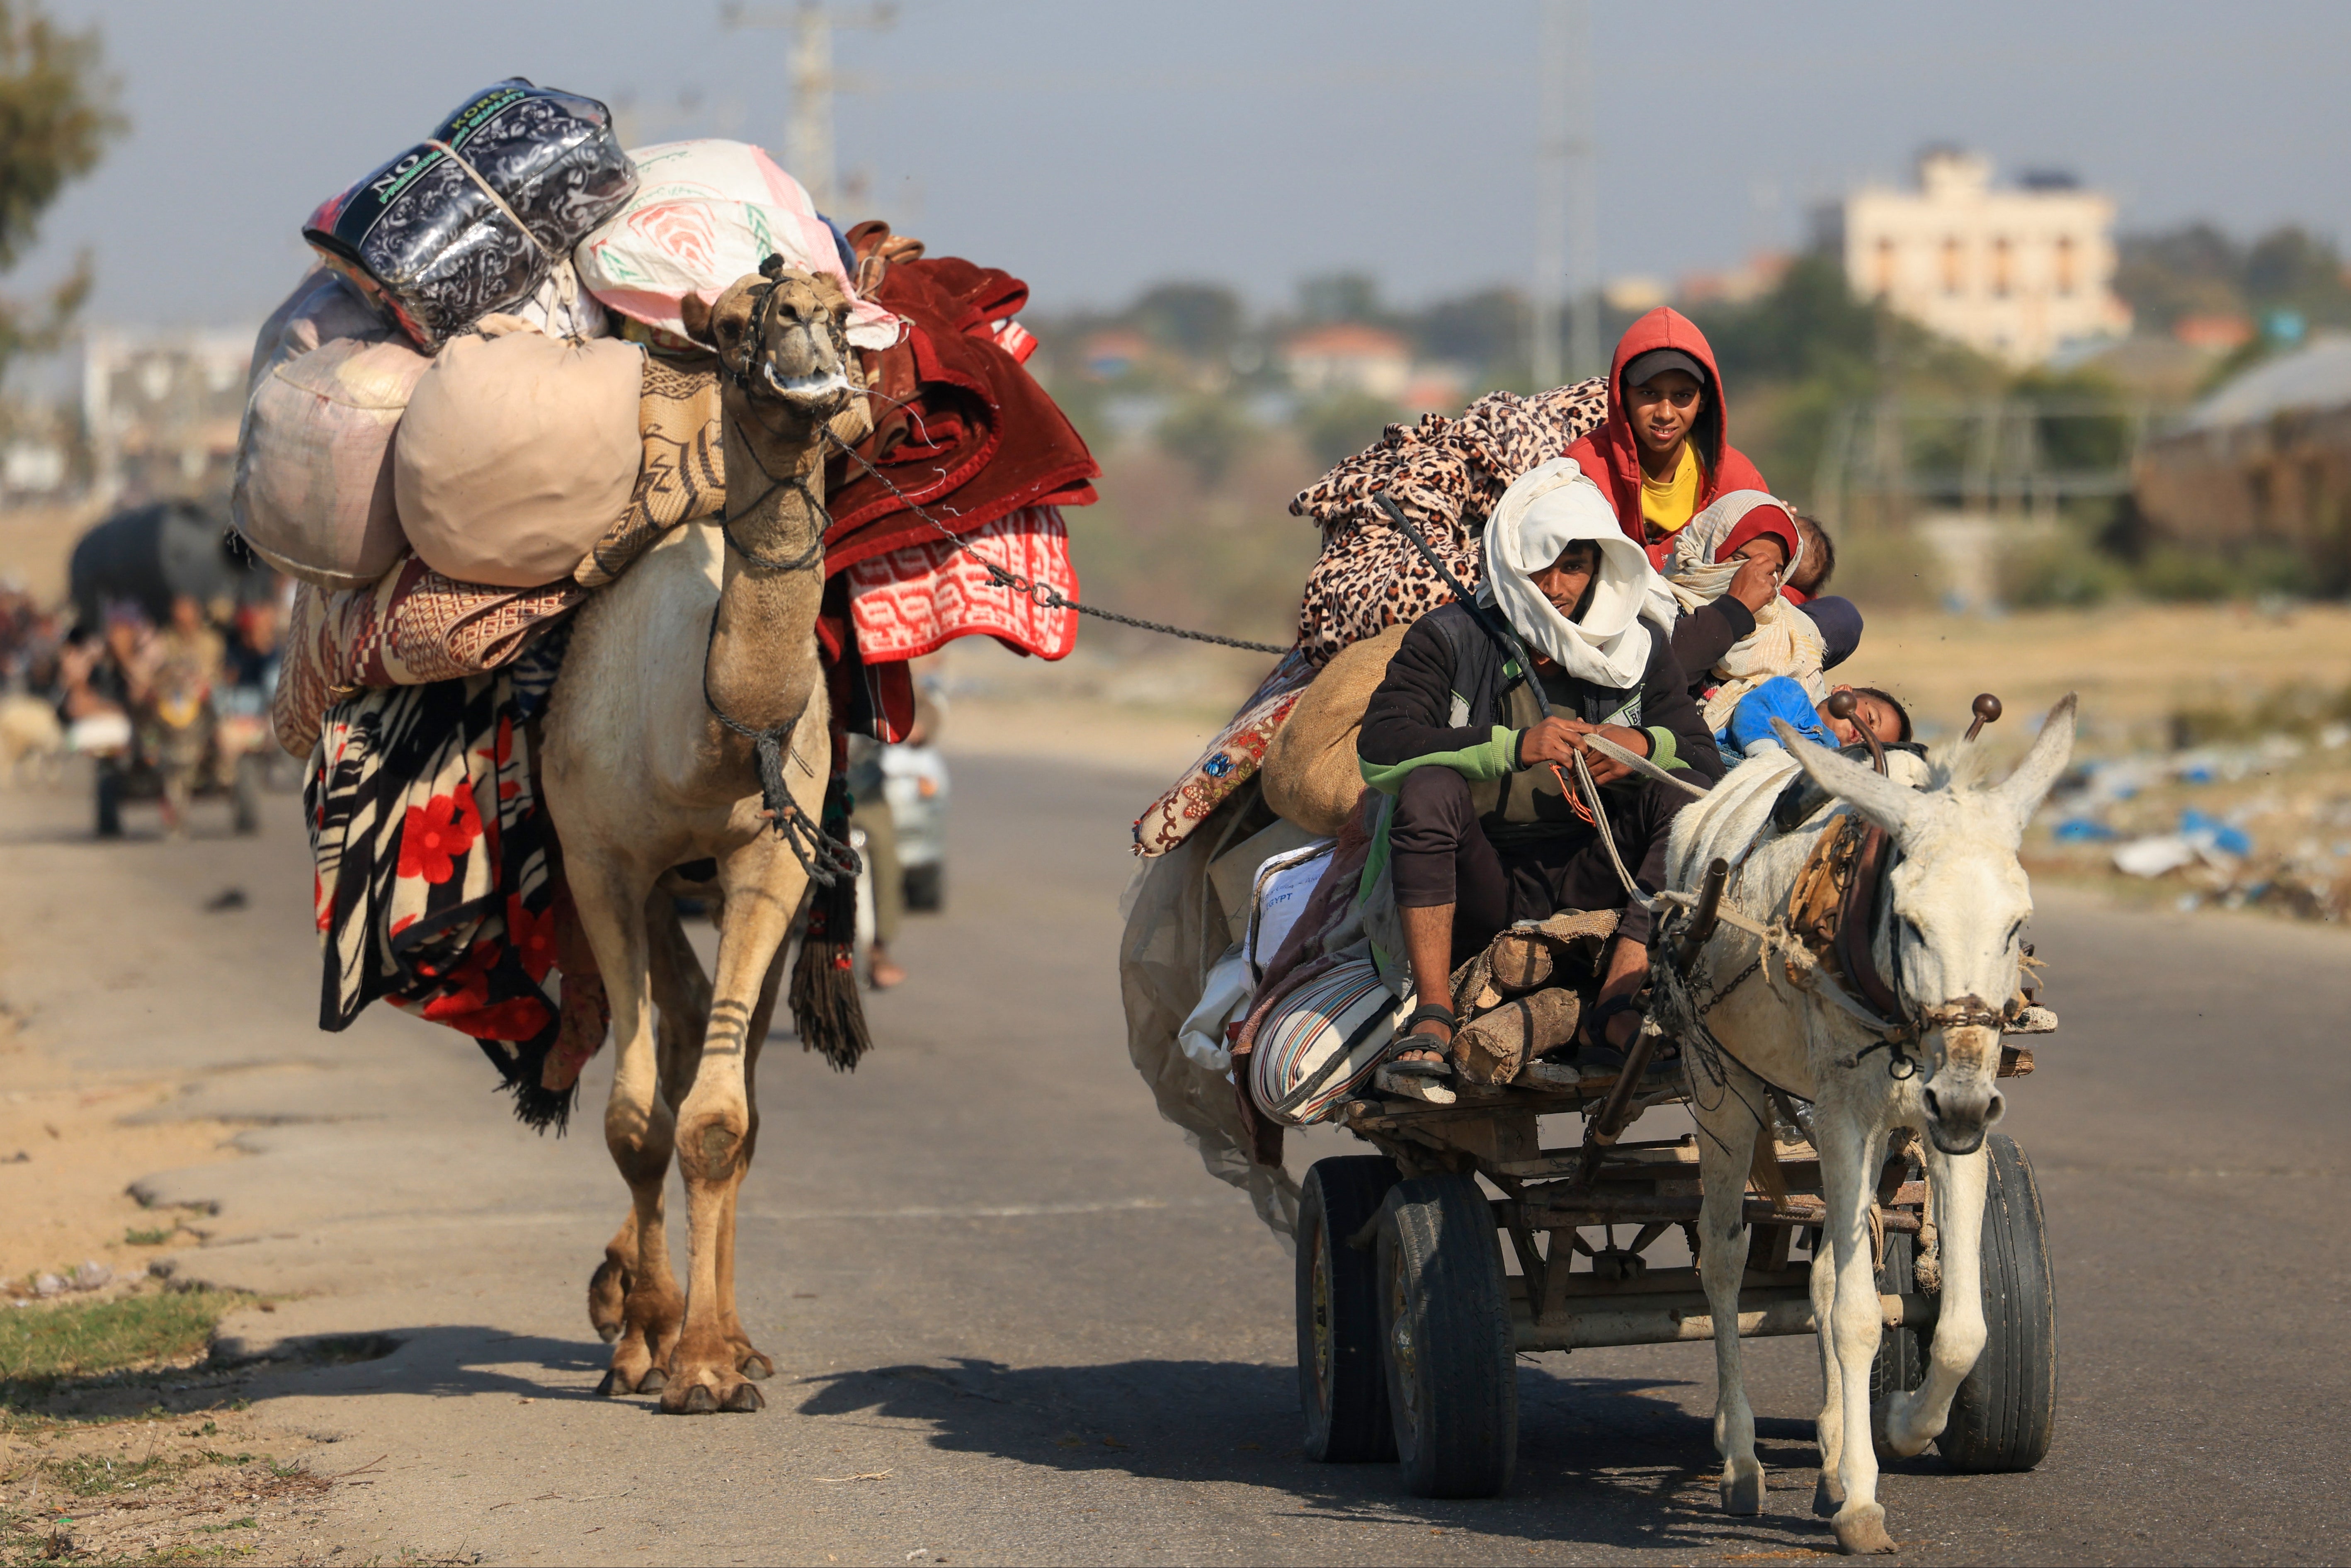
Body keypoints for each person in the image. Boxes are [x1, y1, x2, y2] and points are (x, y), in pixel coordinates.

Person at [1357, 461, 1725, 1075]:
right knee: (1426, 788)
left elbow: (1704, 769)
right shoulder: (1447, 639)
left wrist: (1637, 745)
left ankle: (1620, 994)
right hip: (1479, 881)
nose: (1555, 586)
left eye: (1574, 567)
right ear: (1509, 563)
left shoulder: (1637, 650)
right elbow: (1379, 750)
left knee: (1684, 804)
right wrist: (1513, 746)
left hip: (1595, 876)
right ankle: (1432, 1010)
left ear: (1598, 571)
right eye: (1540, 565)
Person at [1715, 677, 1910, 763]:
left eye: (1871, 746)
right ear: (1843, 693)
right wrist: (1767, 756)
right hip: (1726, 761)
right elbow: (1758, 709)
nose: (1864, 735)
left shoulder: (1832, 765)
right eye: (1871, 719)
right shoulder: (1793, 696)